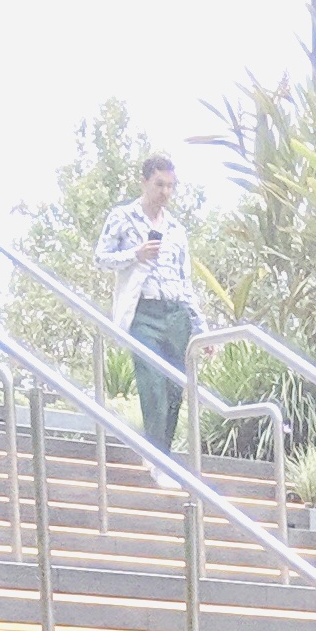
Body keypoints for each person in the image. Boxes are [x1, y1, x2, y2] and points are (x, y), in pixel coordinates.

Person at [100, 152, 196, 446]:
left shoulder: (176, 229)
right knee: (152, 383)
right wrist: (135, 255)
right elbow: (101, 258)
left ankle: (162, 455)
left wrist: (200, 326)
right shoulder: (123, 217)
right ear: (145, 182)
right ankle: (155, 456)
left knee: (173, 388)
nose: (165, 192)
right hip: (144, 311)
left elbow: (186, 279)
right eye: (159, 185)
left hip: (176, 312)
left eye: (170, 186)